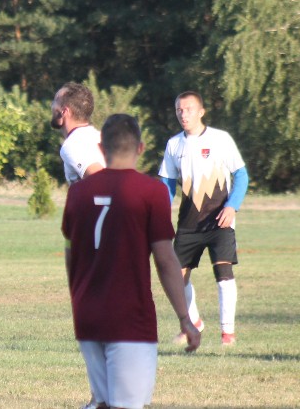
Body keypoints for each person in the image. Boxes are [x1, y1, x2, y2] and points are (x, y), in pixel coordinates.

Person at [62, 114, 200, 409]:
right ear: (140, 147)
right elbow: (165, 260)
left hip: (88, 314)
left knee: (103, 402)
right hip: (129, 317)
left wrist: (79, 298)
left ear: (101, 147)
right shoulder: (151, 192)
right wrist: (184, 318)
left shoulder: (77, 193)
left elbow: (70, 253)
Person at [158, 91, 248, 346]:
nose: (183, 114)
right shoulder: (174, 145)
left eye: (188, 109)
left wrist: (232, 207)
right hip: (188, 223)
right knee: (178, 277)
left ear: (201, 111)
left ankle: (227, 333)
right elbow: (166, 184)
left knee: (224, 274)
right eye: (179, 110)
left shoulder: (221, 139)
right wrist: (161, 214)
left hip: (220, 220)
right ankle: (194, 321)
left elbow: (241, 176)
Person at [51, 82, 105, 185]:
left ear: (64, 111)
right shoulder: (98, 136)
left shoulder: (73, 145)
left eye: (55, 101)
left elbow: (101, 180)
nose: (51, 105)